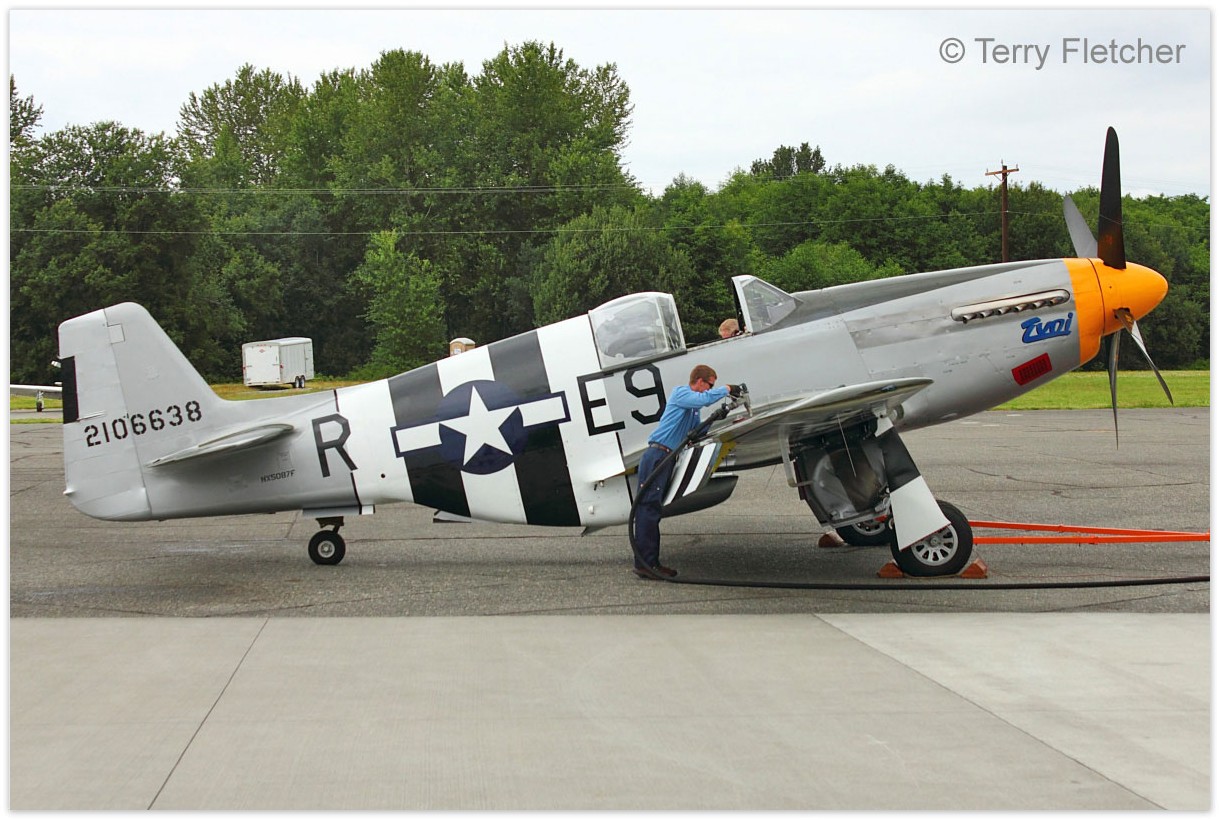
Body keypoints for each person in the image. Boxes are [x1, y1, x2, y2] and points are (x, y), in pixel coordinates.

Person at [631, 364, 740, 579]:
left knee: (652, 509)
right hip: (658, 455)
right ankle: (646, 564)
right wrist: (727, 389)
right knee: (648, 509)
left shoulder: (692, 410)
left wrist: (723, 417)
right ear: (699, 381)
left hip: (666, 458)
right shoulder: (681, 393)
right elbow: (704, 399)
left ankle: (648, 562)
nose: (710, 389)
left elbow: (696, 433)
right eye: (710, 385)